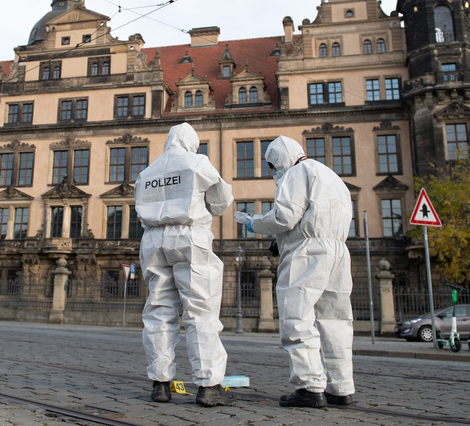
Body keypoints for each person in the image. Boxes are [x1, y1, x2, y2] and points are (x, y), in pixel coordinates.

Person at [235, 135, 355, 409]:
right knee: (336, 320)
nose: (272, 172)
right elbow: (313, 217)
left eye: (271, 165)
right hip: (338, 251)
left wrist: (254, 222)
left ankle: (309, 386)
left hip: (307, 254)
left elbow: (284, 217)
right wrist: (281, 241)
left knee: (298, 316)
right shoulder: (331, 177)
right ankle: (341, 387)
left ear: (277, 160)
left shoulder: (295, 173)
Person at [135, 122, 236, 407]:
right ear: (193, 143)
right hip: (189, 236)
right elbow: (220, 202)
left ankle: (160, 383)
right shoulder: (197, 163)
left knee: (158, 310)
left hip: (153, 239)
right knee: (200, 310)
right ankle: (208, 385)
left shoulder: (147, 171)